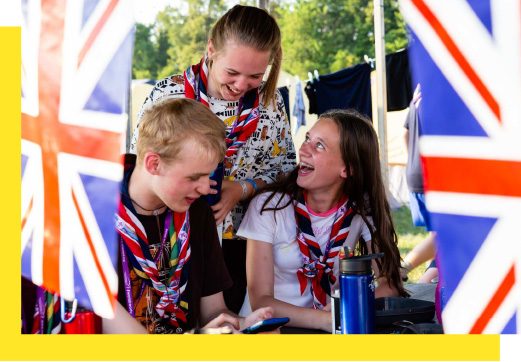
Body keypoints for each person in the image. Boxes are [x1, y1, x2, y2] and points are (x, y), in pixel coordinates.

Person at [130, 5, 296, 314]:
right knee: (166, 316)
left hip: (242, 239)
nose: (241, 85)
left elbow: (286, 172)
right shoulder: (169, 95)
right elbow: (142, 167)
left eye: (255, 76)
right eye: (232, 72)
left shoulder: (270, 104)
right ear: (211, 50)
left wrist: (242, 189)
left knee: (220, 314)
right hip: (175, 232)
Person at [105, 98, 273, 334]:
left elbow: (214, 312)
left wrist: (240, 326)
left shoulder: (197, 211)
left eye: (210, 174)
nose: (206, 188)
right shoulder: (93, 213)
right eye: (194, 178)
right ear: (154, 164)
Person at [238, 109, 408, 332]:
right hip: (269, 332)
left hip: (328, 329)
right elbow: (261, 300)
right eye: (307, 138)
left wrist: (353, 309)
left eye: (319, 145)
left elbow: (390, 282)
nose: (303, 149)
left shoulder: (361, 207)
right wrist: (329, 320)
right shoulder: (269, 206)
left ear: (347, 169)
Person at [401, 84, 437, 282]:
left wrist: (412, 162)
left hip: (414, 172)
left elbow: (404, 134)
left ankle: (426, 281)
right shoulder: (445, 89)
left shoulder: (418, 93)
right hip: (434, 177)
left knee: (436, 235)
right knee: (443, 237)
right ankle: (411, 277)